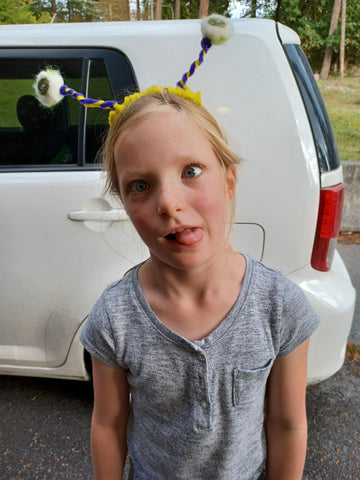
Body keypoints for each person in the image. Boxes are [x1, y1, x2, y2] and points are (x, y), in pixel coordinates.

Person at [32, 14, 319, 480]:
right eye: (141, 185)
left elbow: (287, 424)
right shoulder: (115, 317)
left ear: (228, 179)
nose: (169, 203)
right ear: (124, 203)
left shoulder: (279, 307)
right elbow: (108, 424)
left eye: (190, 171)